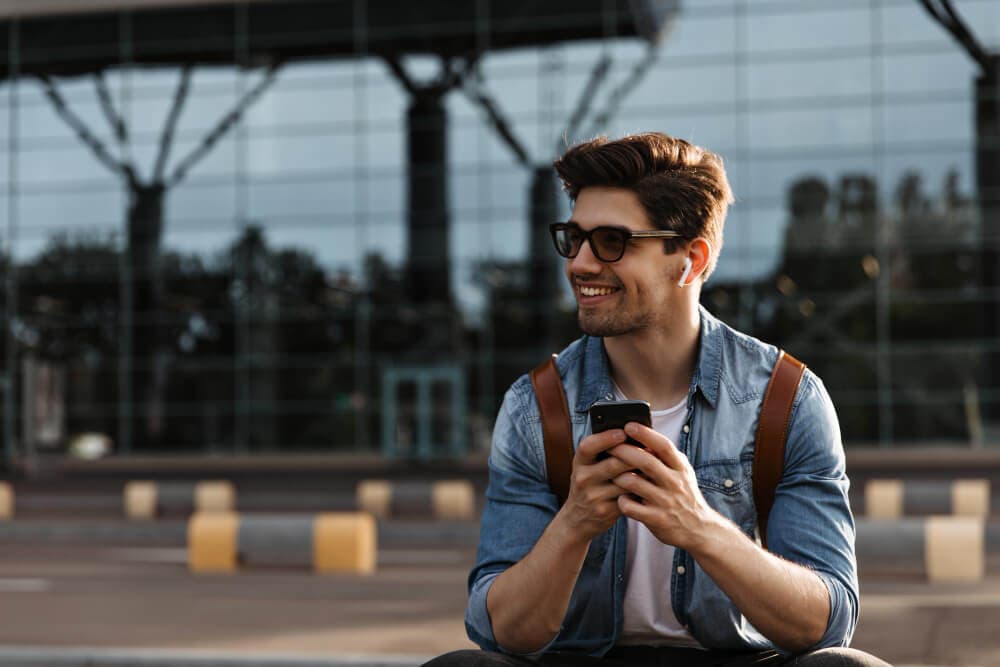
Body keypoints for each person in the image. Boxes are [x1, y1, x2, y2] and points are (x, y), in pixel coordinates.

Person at [427, 133, 888, 666]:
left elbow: (827, 623)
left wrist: (699, 524)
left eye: (611, 242)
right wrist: (576, 521)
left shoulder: (784, 398)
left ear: (690, 260)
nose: (579, 264)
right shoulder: (537, 406)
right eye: (572, 239)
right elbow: (501, 631)